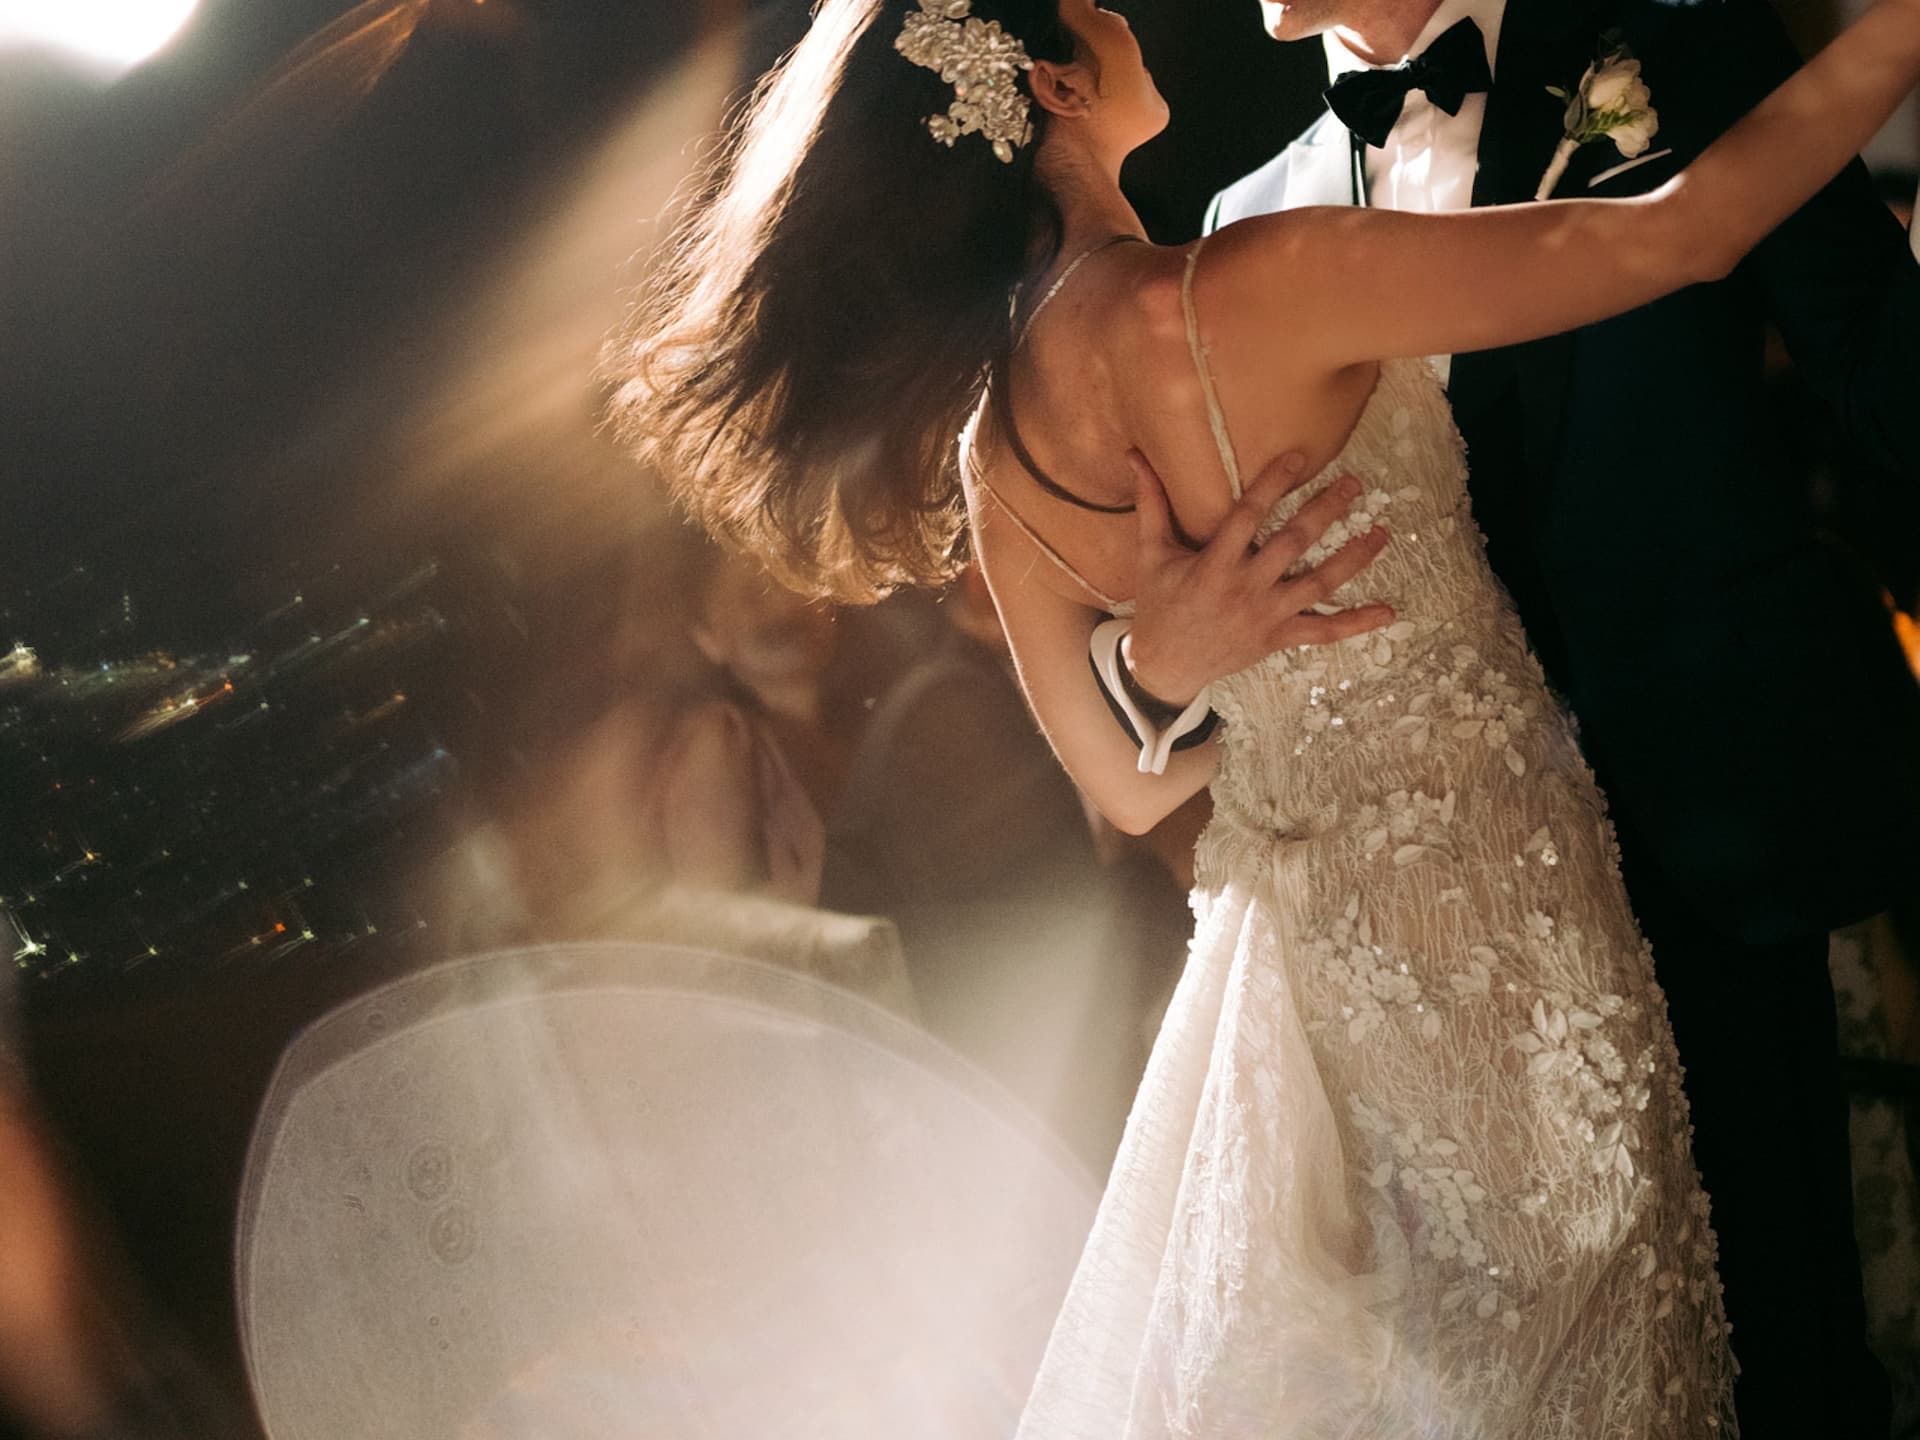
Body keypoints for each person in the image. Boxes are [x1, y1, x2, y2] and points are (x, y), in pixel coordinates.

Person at [608, 0, 1920, 1432]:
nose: (1132, 4)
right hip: (1513, 895)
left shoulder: (1003, 452)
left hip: (1331, 952)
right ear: (1050, 81)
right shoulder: (1256, 262)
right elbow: (1679, 233)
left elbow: (1123, 785)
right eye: (1092, 6)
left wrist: (1167, 657)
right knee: (1637, 1340)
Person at [1205, 3, 1920, 1433]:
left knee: (1789, 1361)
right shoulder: (1241, 219)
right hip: (1451, 941)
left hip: (1714, 833)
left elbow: (1888, 368)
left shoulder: (1682, 55)